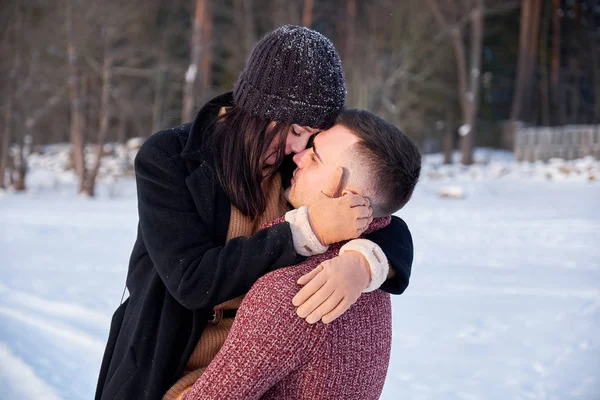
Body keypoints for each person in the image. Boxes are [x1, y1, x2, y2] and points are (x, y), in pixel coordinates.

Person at [95, 26, 414, 400]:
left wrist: (362, 263)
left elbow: (382, 211)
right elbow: (191, 281)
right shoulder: (169, 159)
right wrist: (305, 231)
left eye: (311, 137)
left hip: (259, 370)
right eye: (295, 130)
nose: (299, 148)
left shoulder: (294, 167)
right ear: (262, 108)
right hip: (166, 355)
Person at [182, 109, 421, 400]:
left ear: (350, 199)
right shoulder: (368, 279)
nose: (297, 157)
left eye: (315, 157)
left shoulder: (296, 292)